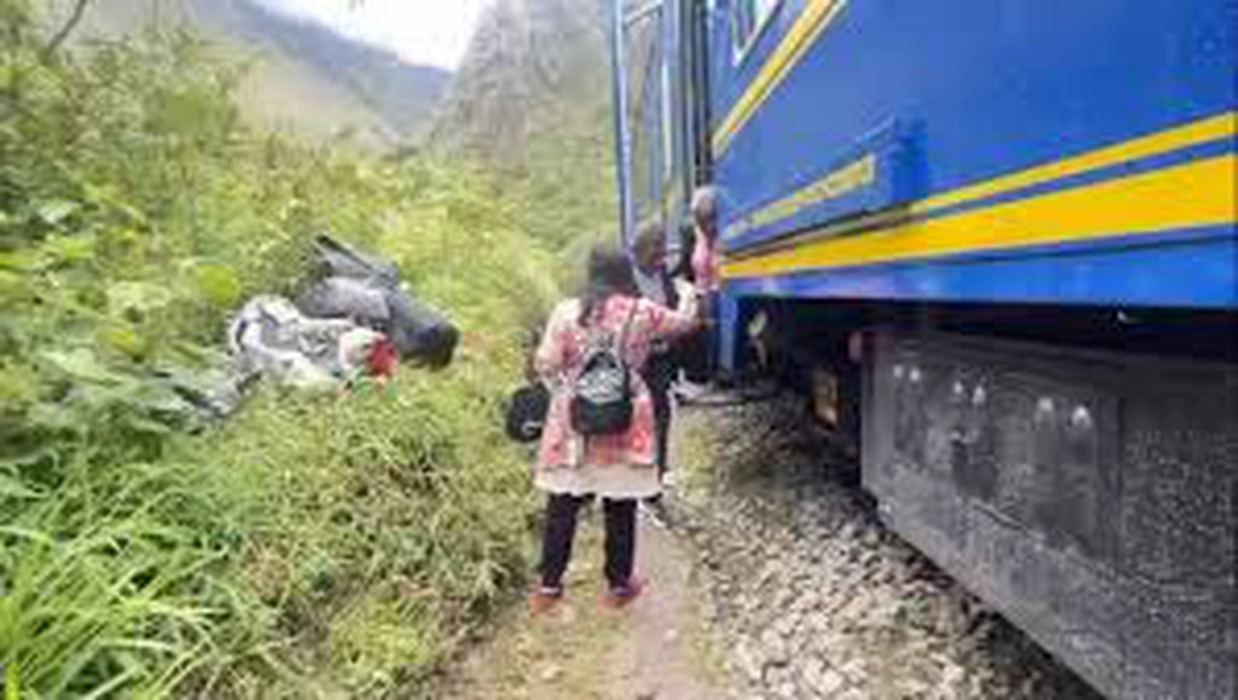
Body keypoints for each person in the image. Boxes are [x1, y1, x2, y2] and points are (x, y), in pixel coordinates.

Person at [530, 244, 699, 614]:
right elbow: (685, 324)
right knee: (620, 503)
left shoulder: (566, 311)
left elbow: (547, 363)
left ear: (590, 273)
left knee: (562, 504)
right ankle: (618, 587)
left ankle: (548, 588)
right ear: (625, 273)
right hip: (625, 419)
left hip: (574, 424)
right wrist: (690, 294)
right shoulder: (642, 311)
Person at [632, 219, 690, 482]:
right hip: (635, 359)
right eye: (655, 248)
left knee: (661, 410)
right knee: (636, 413)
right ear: (639, 249)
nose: (661, 255)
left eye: (662, 248)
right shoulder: (626, 277)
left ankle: (659, 468)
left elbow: (672, 304)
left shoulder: (663, 272)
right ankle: (637, 466)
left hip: (661, 355)